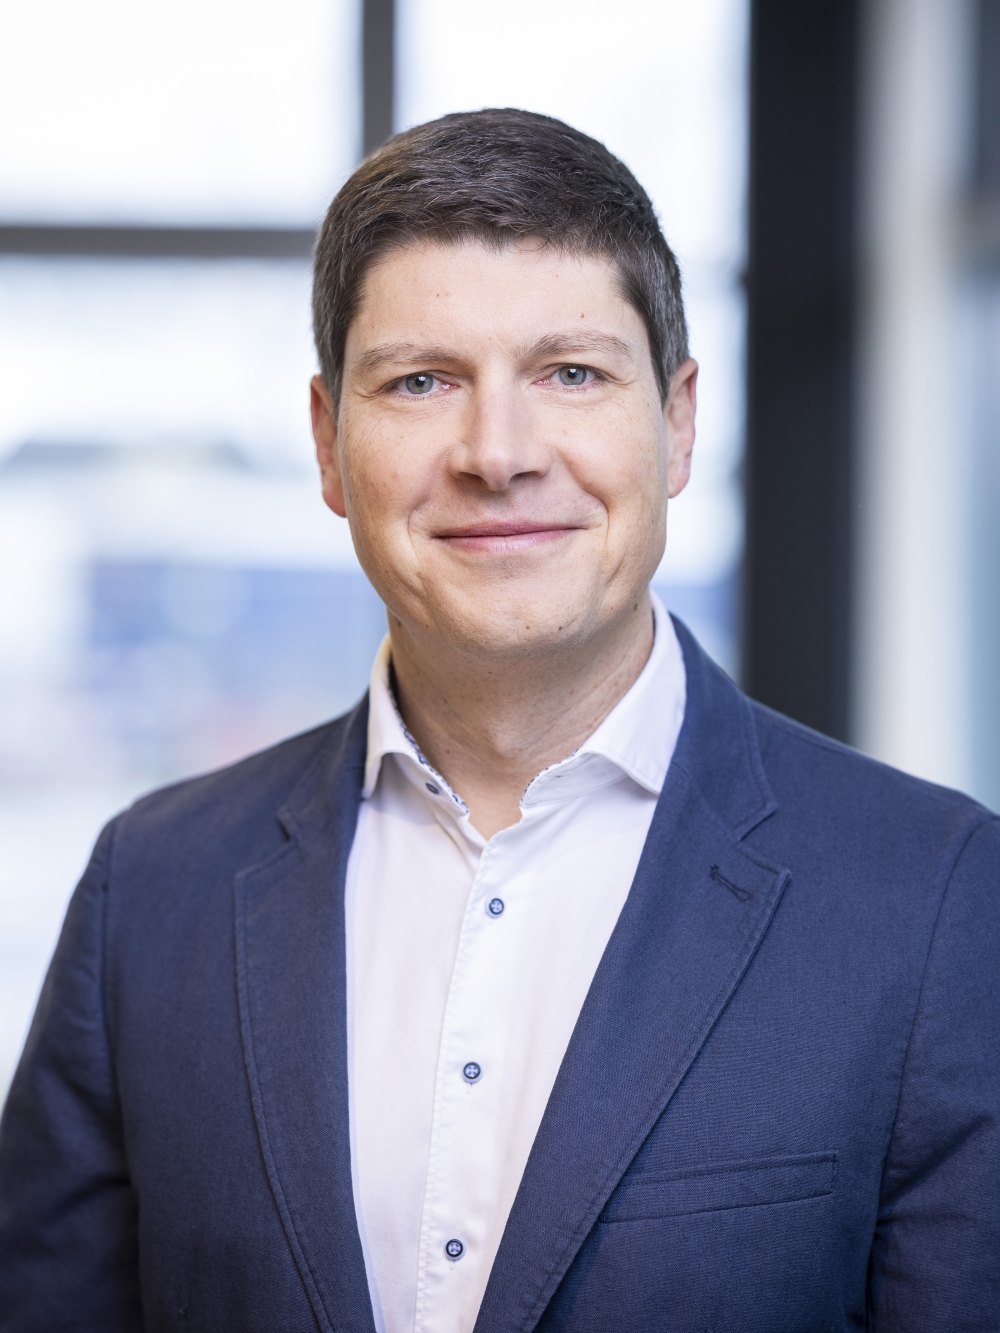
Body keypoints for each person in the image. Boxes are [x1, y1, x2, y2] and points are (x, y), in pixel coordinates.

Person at [0, 108, 997, 1333]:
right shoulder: (149, 891)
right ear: (328, 444)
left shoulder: (938, 898)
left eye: (570, 373)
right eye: (422, 381)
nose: (497, 452)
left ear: (677, 422)